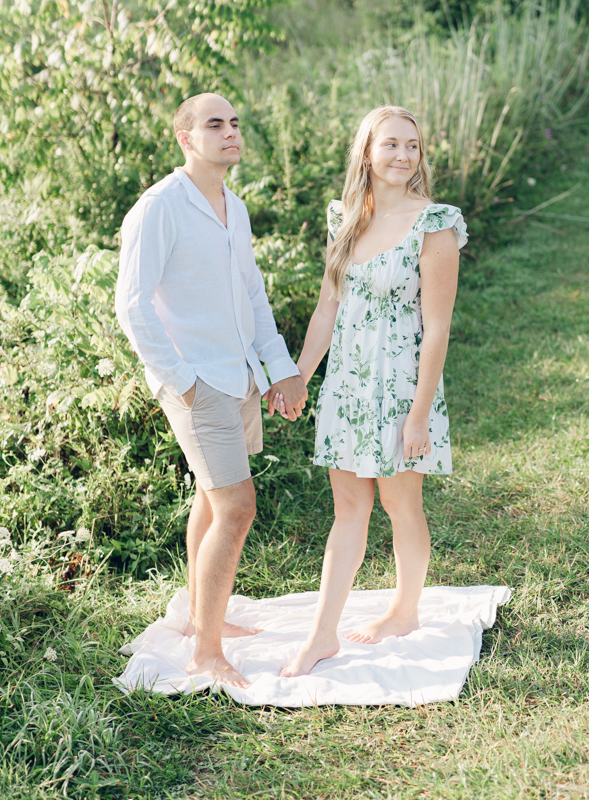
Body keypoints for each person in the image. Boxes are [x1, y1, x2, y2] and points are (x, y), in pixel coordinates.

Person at [115, 92, 307, 689]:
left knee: (211, 496)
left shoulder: (234, 206)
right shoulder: (160, 208)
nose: (230, 133)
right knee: (237, 507)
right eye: (215, 124)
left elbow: (251, 294)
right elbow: (132, 306)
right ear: (186, 138)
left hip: (239, 374)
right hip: (200, 385)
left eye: (235, 123)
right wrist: (182, 382)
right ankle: (206, 652)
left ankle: (204, 620)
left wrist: (279, 367)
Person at [279, 104, 467, 678]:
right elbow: (327, 309)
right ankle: (321, 635)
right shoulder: (346, 220)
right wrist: (301, 376)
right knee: (348, 510)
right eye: (391, 144)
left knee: (399, 502)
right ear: (366, 150)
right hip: (348, 388)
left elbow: (436, 328)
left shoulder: (434, 223)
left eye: (412, 146)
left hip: (402, 389)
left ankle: (405, 610)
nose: (403, 156)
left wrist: (417, 416)